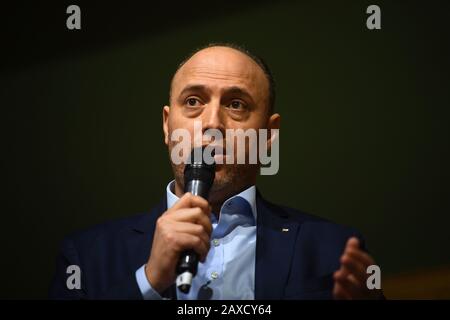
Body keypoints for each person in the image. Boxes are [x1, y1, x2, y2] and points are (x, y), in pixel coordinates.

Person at [50, 43, 382, 300]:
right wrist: (148, 281)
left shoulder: (335, 251)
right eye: (193, 101)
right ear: (168, 126)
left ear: (268, 136)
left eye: (236, 104)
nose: (211, 123)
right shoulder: (86, 257)